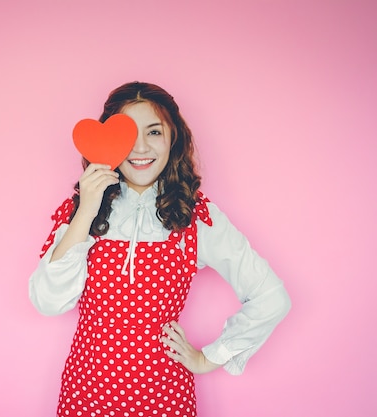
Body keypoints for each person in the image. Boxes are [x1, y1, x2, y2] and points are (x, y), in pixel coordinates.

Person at [29, 81, 291, 417]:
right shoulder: (82, 210)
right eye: (128, 134)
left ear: (173, 138)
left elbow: (271, 297)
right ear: (107, 143)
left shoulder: (195, 217)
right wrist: (87, 208)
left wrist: (210, 357)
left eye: (153, 132)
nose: (140, 147)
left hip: (165, 396)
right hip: (86, 392)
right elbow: (49, 302)